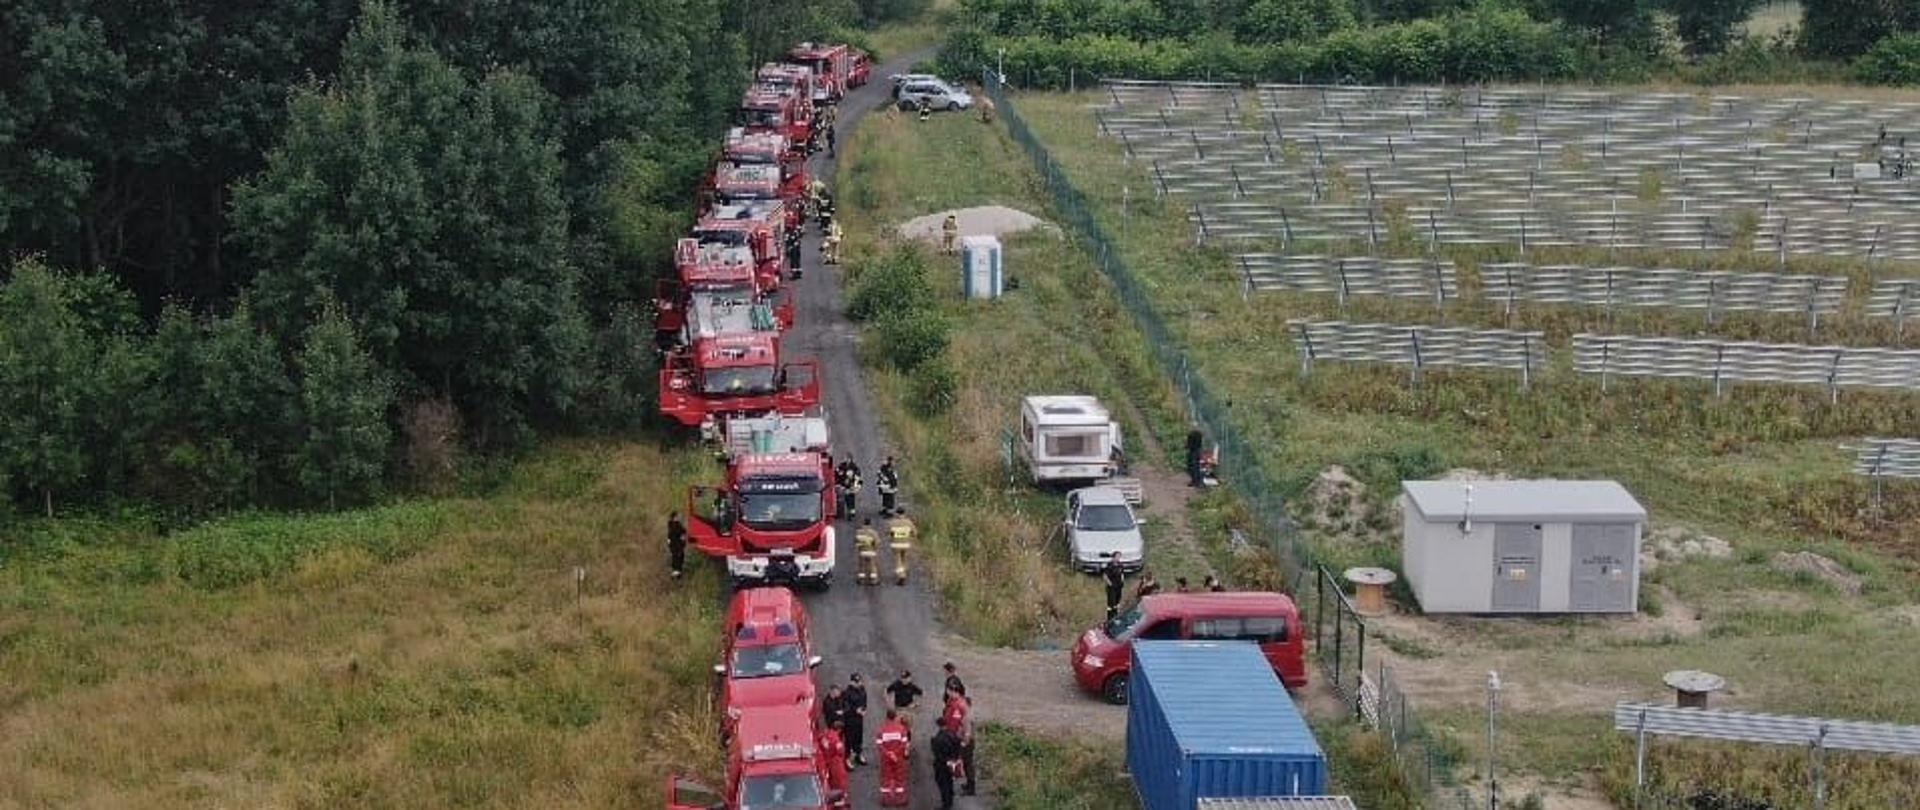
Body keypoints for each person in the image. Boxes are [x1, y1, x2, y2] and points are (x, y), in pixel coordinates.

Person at [876, 710, 912, 807]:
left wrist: (888, 754)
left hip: (886, 759)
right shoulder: (901, 729)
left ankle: (886, 800)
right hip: (898, 758)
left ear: (887, 717)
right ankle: (900, 800)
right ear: (895, 717)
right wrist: (895, 753)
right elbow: (904, 744)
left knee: (886, 778)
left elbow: (879, 745)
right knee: (899, 778)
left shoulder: (882, 730)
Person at [931, 716, 964, 810]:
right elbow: (958, 744)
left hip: (941, 765)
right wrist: (956, 759)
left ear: (938, 725)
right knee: (949, 782)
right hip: (952, 763)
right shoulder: (952, 735)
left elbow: (937, 754)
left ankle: (946, 804)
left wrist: (945, 761)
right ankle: (950, 801)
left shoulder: (938, 739)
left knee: (943, 784)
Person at [844, 673, 871, 766]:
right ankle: (847, 758)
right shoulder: (847, 693)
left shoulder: (862, 689)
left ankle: (858, 754)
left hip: (859, 718)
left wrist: (864, 709)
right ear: (851, 682)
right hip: (850, 720)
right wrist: (856, 711)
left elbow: (864, 700)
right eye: (856, 682)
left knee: (859, 738)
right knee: (849, 739)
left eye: (859, 681)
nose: (858, 683)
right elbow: (846, 708)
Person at [820, 717, 850, 795]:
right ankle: (841, 795)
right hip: (835, 761)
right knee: (840, 779)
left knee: (829, 780)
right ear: (839, 730)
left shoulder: (825, 735)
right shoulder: (836, 740)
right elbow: (841, 751)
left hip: (826, 760)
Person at [886, 509, 915, 585]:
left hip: (896, 544)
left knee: (898, 560)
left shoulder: (892, 523)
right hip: (906, 544)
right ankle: (904, 571)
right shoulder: (909, 522)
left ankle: (901, 575)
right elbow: (914, 533)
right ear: (904, 513)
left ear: (896, 514)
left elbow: (887, 533)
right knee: (904, 559)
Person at [855, 518, 881, 585]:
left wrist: (859, 548)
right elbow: (877, 542)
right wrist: (876, 549)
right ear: (870, 524)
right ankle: (873, 580)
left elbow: (856, 542)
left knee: (862, 566)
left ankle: (861, 580)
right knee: (873, 566)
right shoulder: (873, 533)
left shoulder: (859, 532)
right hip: (871, 551)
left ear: (863, 523)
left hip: (862, 552)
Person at [1102, 553, 1126, 621]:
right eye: (1117, 556)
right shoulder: (1109, 566)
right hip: (1112, 587)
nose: (1118, 558)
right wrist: (1110, 584)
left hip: (1119, 586)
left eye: (1119, 556)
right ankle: (1110, 618)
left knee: (1117, 602)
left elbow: (1122, 574)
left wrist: (1122, 581)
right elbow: (1105, 576)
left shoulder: (1120, 565)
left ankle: (1116, 616)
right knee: (1111, 603)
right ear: (1113, 557)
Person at [666, 511, 687, 580]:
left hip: (675, 544)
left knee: (677, 557)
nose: (679, 517)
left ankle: (676, 571)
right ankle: (677, 572)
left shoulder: (672, 525)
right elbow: (682, 532)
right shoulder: (675, 525)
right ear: (674, 517)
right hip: (676, 544)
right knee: (678, 556)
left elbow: (683, 532)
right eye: (677, 516)